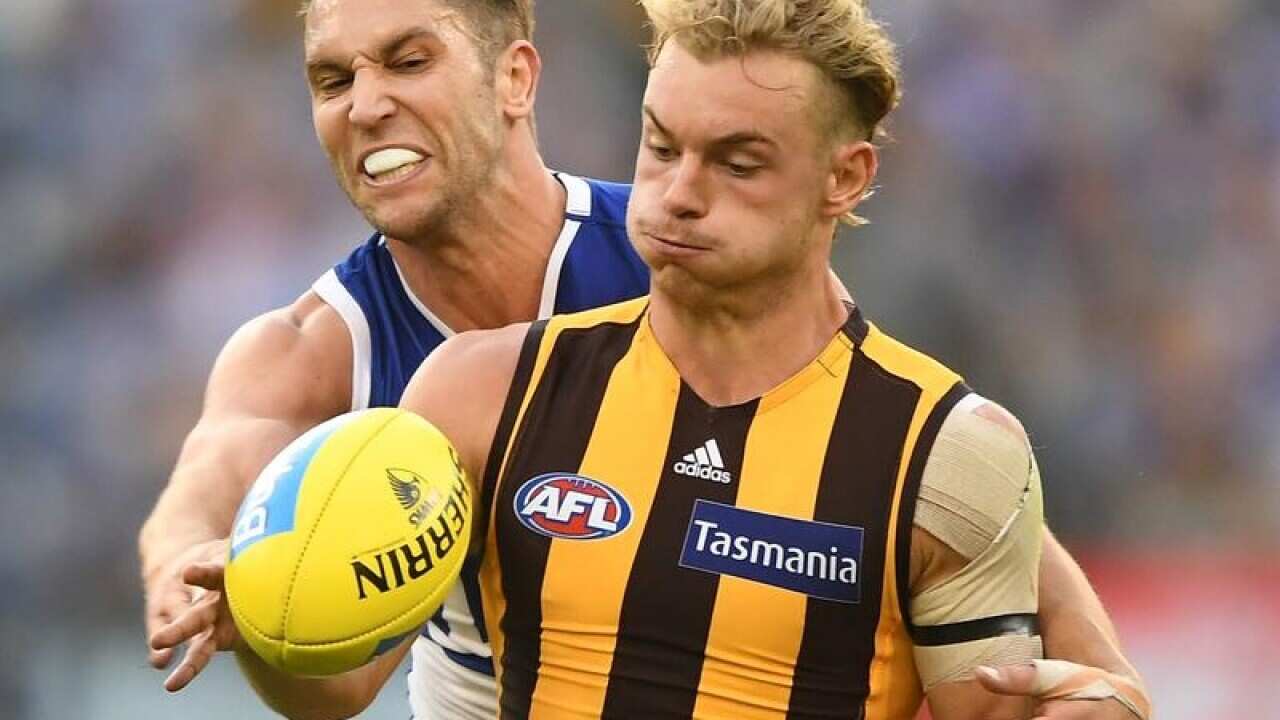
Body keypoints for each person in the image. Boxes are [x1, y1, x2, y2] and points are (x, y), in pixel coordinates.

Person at [143, 0, 1150, 718]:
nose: (365, 104)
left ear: (514, 77)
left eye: (407, 61)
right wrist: (209, 589)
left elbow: (936, 490)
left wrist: (1109, 682)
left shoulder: (686, 243)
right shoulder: (333, 353)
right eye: (333, 78)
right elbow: (206, 501)